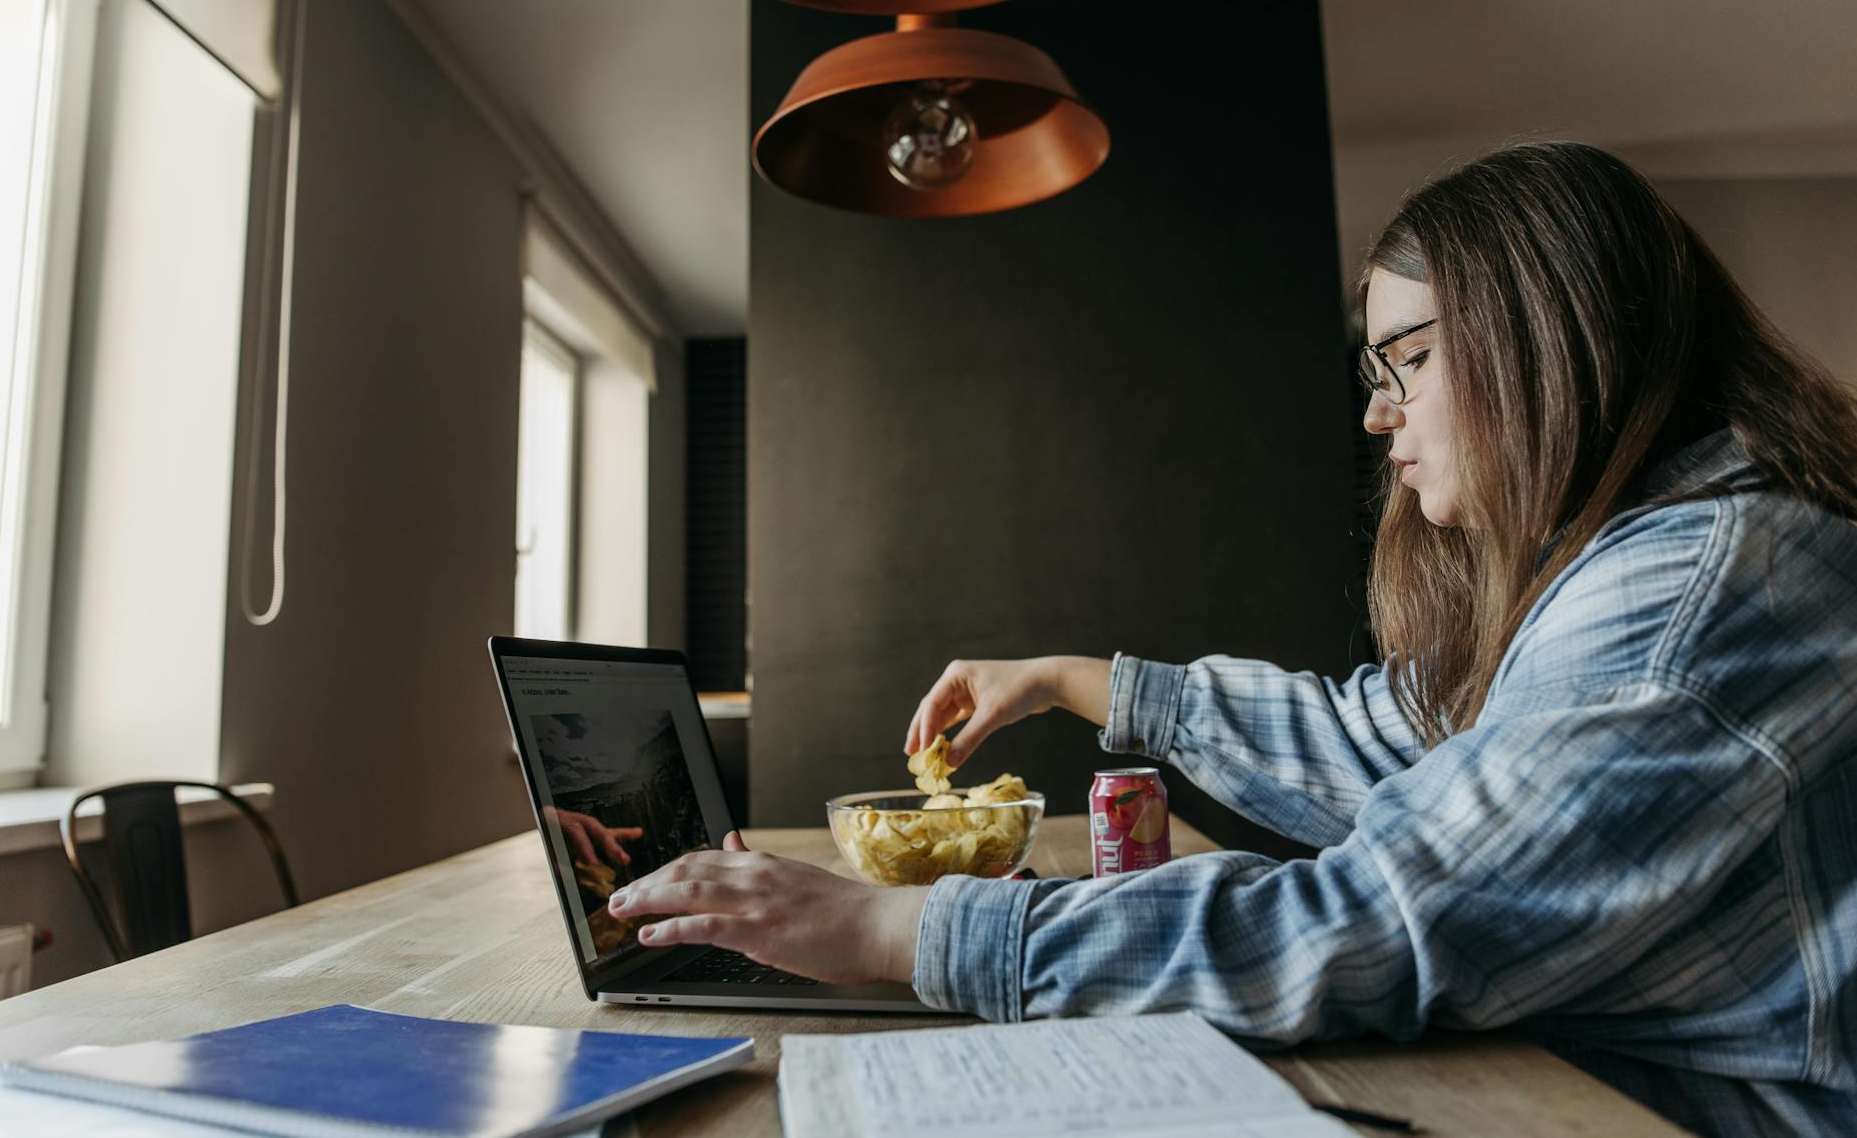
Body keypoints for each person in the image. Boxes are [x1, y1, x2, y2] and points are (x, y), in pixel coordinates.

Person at [607, 141, 1857, 1135]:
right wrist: (1073, 680)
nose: (1379, 414)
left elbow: (1375, 919)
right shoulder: (1633, 558)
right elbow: (1392, 741)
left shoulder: (1691, 598)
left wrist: (895, 932)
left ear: (1548, 336)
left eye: (1405, 361)